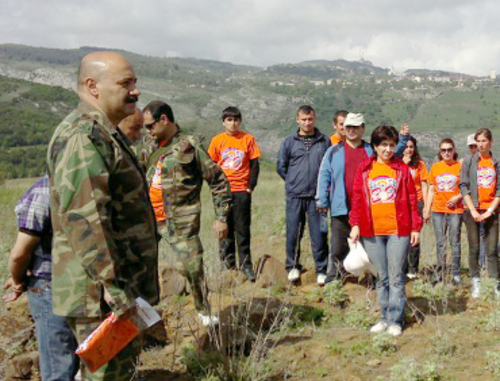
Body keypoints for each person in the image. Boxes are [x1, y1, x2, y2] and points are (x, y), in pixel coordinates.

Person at [46, 51, 159, 380]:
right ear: (92, 86)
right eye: (125, 83)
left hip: (112, 291)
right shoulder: (85, 138)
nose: (135, 91)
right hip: (103, 297)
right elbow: (85, 217)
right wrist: (111, 284)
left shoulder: (104, 133)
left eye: (135, 82)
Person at [143, 100, 230, 326]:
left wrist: (221, 217)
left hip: (180, 221)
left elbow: (218, 180)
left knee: (193, 267)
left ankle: (203, 310)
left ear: (164, 119)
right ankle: (148, 318)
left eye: (150, 126)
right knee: (142, 271)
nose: (148, 131)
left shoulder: (190, 146)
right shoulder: (148, 146)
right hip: (148, 220)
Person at [316, 113, 410, 283]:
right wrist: (321, 199)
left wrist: (403, 139)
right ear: (343, 128)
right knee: (338, 247)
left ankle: (375, 279)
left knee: (371, 246)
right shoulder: (334, 151)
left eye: (356, 127)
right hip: (341, 206)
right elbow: (324, 174)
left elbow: (390, 154)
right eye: (348, 127)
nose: (351, 131)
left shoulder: (370, 150)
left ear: (362, 129)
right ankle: (335, 278)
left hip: (368, 209)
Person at [3, 175, 79, 381]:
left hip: (50, 283)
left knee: (57, 367)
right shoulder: (93, 183)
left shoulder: (44, 190)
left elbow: (20, 253)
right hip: (90, 282)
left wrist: (17, 280)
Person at [350, 125, 422, 337]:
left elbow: (412, 199)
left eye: (391, 145)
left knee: (396, 276)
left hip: (398, 230)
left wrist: (415, 227)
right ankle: (384, 316)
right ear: (375, 146)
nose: (388, 150)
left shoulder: (401, 170)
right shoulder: (365, 169)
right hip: (371, 231)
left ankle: (396, 320)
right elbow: (357, 199)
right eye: (383, 145)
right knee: (381, 276)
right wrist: (355, 224)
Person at [277, 105, 330, 285]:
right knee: (293, 232)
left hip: (317, 197)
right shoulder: (289, 142)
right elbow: (281, 167)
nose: (307, 123)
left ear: (315, 119)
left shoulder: (324, 141)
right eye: (304, 119)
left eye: (310, 119)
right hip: (295, 196)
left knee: (319, 235)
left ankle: (322, 269)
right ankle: (292, 266)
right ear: (297, 120)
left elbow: (329, 167)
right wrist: (292, 181)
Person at [208, 106, 261, 281]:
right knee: (224, 230)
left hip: (241, 191)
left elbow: (254, 164)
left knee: (242, 229)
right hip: (223, 192)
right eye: (229, 120)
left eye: (236, 119)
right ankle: (228, 267)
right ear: (224, 122)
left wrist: (250, 186)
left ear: (240, 121)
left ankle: (246, 265)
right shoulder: (217, 141)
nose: (233, 123)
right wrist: (215, 188)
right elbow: (211, 166)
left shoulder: (248, 139)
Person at [460, 128, 500, 298]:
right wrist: (473, 210)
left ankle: (494, 285)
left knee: (491, 250)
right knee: (474, 248)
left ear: (490, 142)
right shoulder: (469, 161)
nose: (481, 144)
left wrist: (489, 211)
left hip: (492, 210)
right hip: (472, 210)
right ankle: (476, 283)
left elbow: (499, 190)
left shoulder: (496, 162)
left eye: (484, 140)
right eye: (478, 141)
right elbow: (463, 185)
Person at [423, 138, 463, 285]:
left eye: (449, 149)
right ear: (440, 152)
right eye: (443, 150)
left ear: (454, 150)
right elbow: (431, 190)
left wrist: (457, 197)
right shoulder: (435, 167)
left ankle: (456, 274)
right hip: (438, 210)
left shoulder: (460, 167)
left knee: (455, 242)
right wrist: (427, 209)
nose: (446, 153)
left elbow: (467, 187)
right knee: (441, 243)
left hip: (455, 210)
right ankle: (439, 273)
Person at [400, 136, 428, 278]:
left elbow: (424, 185)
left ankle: (413, 269)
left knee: (415, 236)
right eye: (406, 146)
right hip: (401, 203)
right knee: (402, 236)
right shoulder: (397, 163)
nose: (409, 149)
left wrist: (425, 207)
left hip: (416, 202)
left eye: (411, 147)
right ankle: (402, 267)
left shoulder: (420, 164)